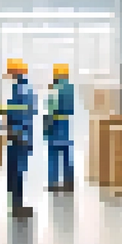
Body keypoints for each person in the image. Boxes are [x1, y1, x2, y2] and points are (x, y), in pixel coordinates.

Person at [1, 58, 37, 218]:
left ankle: (17, 205)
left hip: (19, 137)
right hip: (22, 136)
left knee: (16, 172)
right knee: (17, 172)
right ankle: (17, 204)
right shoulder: (25, 88)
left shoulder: (21, 90)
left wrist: (12, 129)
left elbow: (19, 113)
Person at [44, 63, 75, 192]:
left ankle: (53, 182)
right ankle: (69, 183)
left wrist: (46, 128)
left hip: (55, 127)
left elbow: (51, 110)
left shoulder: (55, 89)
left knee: (53, 156)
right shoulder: (71, 88)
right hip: (67, 127)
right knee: (68, 157)